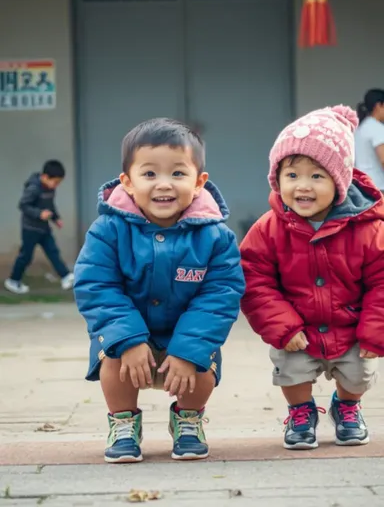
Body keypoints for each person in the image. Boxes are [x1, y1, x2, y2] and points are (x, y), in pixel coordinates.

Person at [74, 118, 244, 464]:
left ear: (199, 183)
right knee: (115, 359)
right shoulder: (108, 229)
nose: (163, 184)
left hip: (185, 335)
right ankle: (123, 424)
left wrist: (187, 349)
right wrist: (129, 338)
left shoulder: (216, 237)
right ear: (128, 182)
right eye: (149, 174)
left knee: (201, 366)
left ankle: (188, 419)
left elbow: (220, 296)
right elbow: (96, 286)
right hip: (130, 336)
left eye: (178, 174)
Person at [241, 105, 384, 451]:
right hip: (297, 327)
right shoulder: (269, 228)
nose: (302, 187)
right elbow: (255, 279)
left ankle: (347, 406)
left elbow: (381, 282)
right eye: (292, 176)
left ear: (340, 180)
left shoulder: (369, 229)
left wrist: (374, 331)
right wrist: (281, 325)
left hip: (350, 326)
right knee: (291, 372)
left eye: (317, 176)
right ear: (277, 179)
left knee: (358, 374)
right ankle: (300, 412)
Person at [4, 160, 74, 295]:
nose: (56, 186)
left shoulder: (50, 189)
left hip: (44, 228)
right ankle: (13, 280)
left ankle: (66, 277)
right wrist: (39, 214)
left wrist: (55, 218)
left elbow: (50, 205)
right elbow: (23, 205)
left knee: (53, 252)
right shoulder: (34, 188)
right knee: (26, 256)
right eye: (55, 182)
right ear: (45, 177)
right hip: (30, 229)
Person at [355, 88, 384, 192]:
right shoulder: (377, 128)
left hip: (362, 184)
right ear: (378, 105)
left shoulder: (361, 128)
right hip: (378, 186)